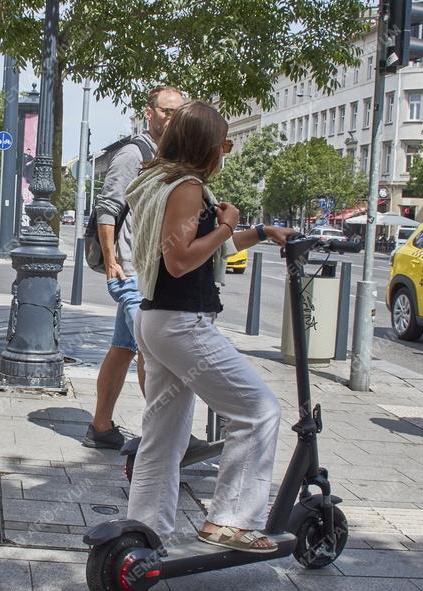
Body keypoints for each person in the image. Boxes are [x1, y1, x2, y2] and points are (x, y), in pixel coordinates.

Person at [124, 101, 296, 551]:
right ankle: (231, 521)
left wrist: (257, 233)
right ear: (207, 146)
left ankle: (144, 531)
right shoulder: (187, 187)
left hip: (158, 318)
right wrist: (226, 228)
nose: (227, 150)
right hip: (182, 323)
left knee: (163, 438)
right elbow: (180, 260)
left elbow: (203, 246)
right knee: (258, 411)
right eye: (224, 142)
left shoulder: (159, 180)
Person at [83, 85, 185, 449]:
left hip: (148, 270)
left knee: (124, 348)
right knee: (152, 352)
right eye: (166, 111)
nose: (172, 118)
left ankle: (100, 426)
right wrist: (111, 260)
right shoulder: (133, 153)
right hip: (131, 269)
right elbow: (107, 208)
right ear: (150, 112)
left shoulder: (167, 155)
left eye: (178, 112)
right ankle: (168, 438)